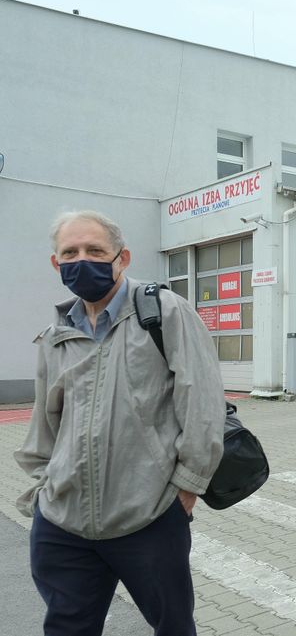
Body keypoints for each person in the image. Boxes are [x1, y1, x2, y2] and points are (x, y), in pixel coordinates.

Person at [15, 211, 225, 635]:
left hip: (147, 517)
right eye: (70, 253)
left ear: (122, 258)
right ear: (56, 264)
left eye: (95, 250)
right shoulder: (55, 335)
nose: (81, 260)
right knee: (67, 628)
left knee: (172, 627)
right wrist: (43, 489)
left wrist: (186, 488)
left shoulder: (164, 312)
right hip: (64, 521)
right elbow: (44, 423)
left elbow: (202, 405)